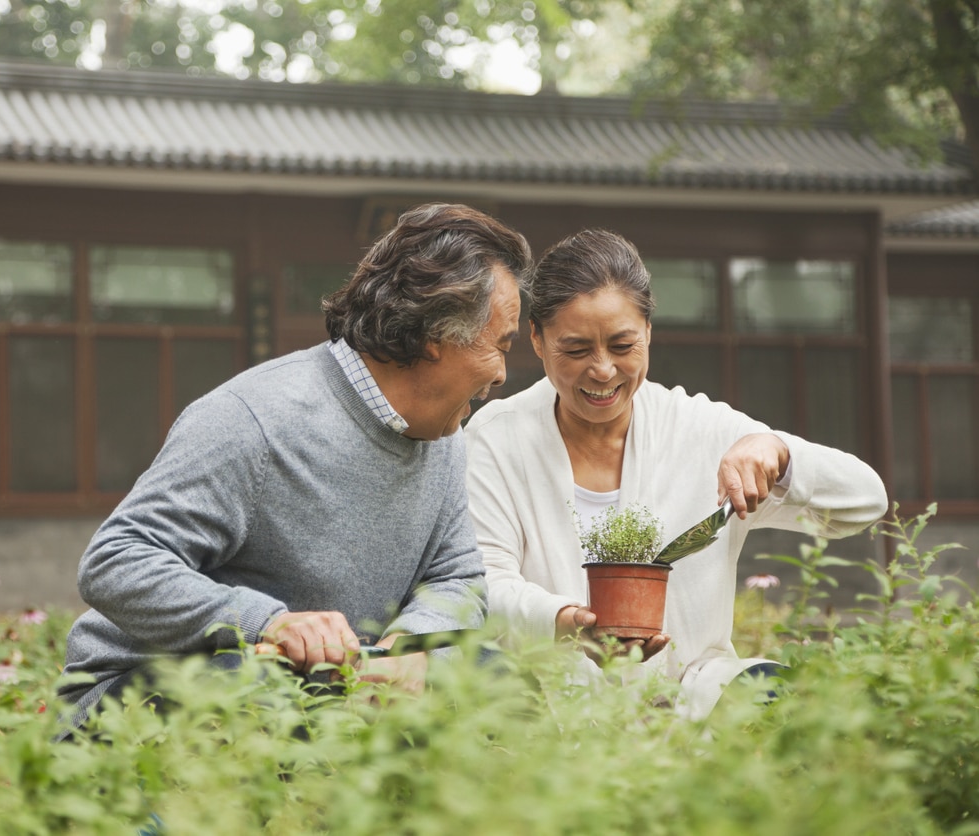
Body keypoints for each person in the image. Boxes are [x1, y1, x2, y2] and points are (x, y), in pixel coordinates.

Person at [58, 203, 533, 730]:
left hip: (333, 687)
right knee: (269, 690)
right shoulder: (255, 419)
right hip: (150, 688)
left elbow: (457, 575)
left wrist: (411, 646)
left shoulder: (444, 436)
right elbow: (115, 562)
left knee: (500, 682)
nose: (502, 375)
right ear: (434, 337)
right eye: (500, 346)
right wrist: (269, 623)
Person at [463, 228, 888, 719]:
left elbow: (867, 500)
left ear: (648, 332)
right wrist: (565, 622)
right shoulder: (498, 438)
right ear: (536, 340)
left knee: (780, 695)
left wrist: (779, 453)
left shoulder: (701, 431)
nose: (602, 371)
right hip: (549, 699)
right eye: (576, 350)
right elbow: (481, 585)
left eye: (622, 345)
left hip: (691, 698)